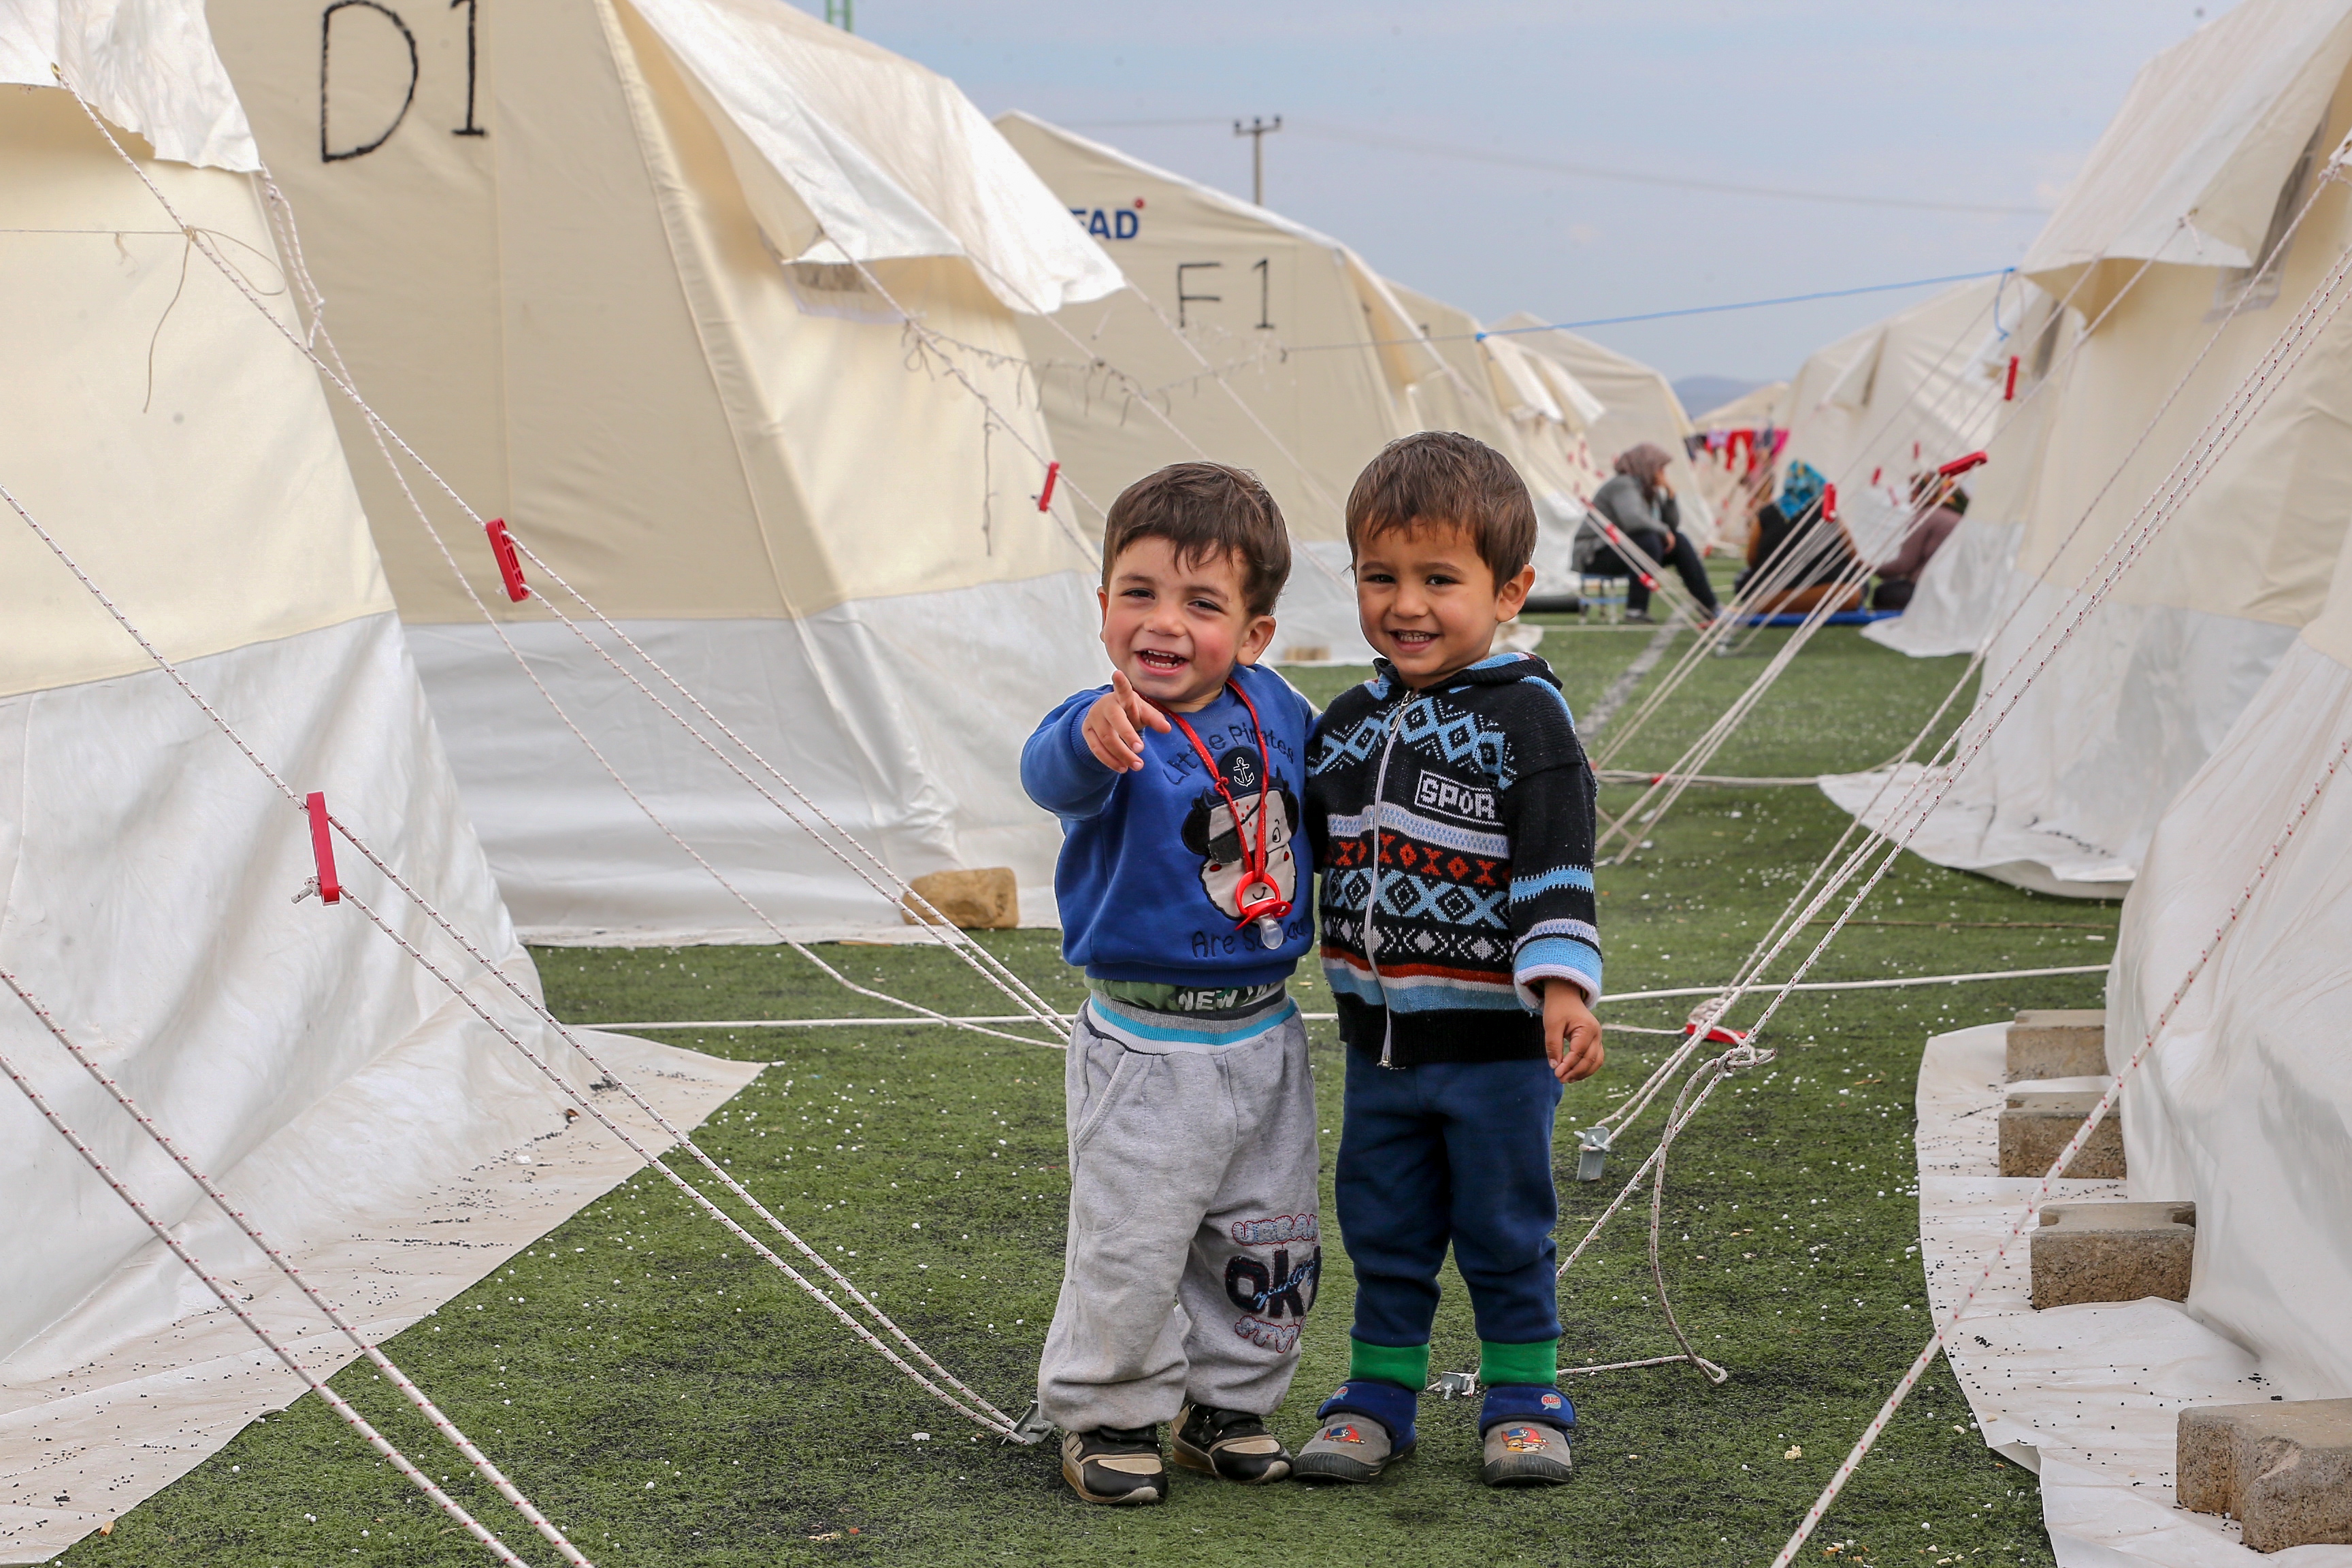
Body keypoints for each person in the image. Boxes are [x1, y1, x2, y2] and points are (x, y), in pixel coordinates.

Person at [1293, 431, 1605, 1490]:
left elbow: (1557, 867)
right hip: (1380, 1051)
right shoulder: (1342, 726)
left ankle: (1525, 1396)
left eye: (1440, 579)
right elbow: (1290, 856)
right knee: (1382, 1224)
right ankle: (1378, 1396)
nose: (1406, 605)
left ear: (1510, 589)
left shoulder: (1530, 720)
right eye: (1381, 577)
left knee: (1504, 1225)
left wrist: (1562, 988)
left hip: (1497, 1052)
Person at [1019, 461, 1322, 1506]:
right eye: (1139, 594)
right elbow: (1047, 772)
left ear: (1255, 633)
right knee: (1132, 1245)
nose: (1163, 623)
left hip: (1266, 1033)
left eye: (1203, 603)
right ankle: (1109, 1413)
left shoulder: (1283, 709)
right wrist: (1089, 743)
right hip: (1144, 1047)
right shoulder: (1102, 723)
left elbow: (1343, 783)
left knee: (1268, 1238)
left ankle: (1228, 1406)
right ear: (1102, 608)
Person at [1586, 442, 1720, 623]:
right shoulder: (1623, 485)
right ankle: (1635, 609)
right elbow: (1633, 521)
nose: (1663, 474)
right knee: (1648, 541)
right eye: (1660, 469)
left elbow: (1671, 526)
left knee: (1679, 541)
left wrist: (1671, 497)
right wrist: (1664, 531)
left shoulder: (1648, 489)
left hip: (1625, 552)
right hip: (1596, 554)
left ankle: (1709, 606)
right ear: (1647, 466)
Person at [1735, 458, 1861, 615]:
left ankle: (1773, 604)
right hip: (1826, 588)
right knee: (1857, 582)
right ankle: (1812, 600)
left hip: (1773, 592)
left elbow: (1752, 560)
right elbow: (1854, 558)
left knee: (1746, 580)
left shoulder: (1767, 513)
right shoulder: (1828, 513)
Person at [1872, 477, 1967, 611]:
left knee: (1884, 592)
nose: (1911, 500)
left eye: (1914, 493)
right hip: (1960, 594)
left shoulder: (1928, 516)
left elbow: (1904, 564)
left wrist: (1870, 569)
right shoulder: (1960, 517)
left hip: (1929, 593)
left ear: (1924, 492)